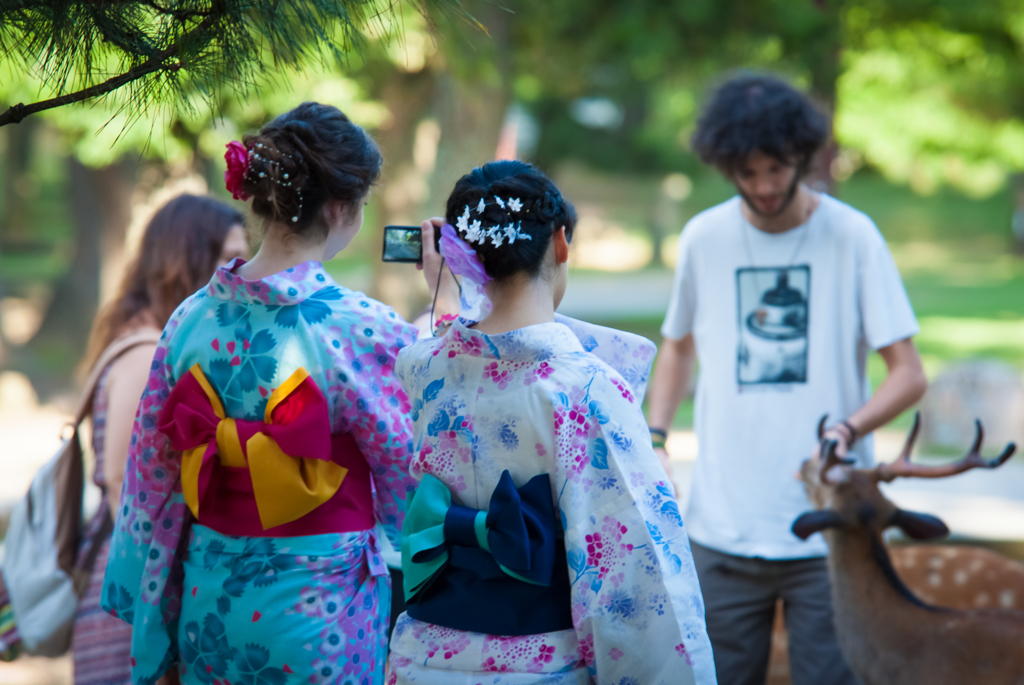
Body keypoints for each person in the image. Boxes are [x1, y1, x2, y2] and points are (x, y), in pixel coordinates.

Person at [101, 102, 452, 685]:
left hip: (209, 600)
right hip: (317, 607)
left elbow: (151, 476)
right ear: (339, 208)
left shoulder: (189, 318)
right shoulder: (360, 327)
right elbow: (414, 471)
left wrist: (150, 595)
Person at [645, 73, 927, 685]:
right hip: (721, 527)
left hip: (831, 530)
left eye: (776, 168)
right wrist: (657, 437)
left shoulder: (853, 236)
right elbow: (678, 348)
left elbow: (908, 375)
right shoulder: (704, 238)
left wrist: (849, 428)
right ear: (726, 167)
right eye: (747, 173)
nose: (765, 187)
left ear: (802, 155)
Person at [387, 160, 716, 684]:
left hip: (422, 658)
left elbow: (462, 344)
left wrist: (449, 298)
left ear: (462, 255)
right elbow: (633, 576)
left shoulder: (421, 367)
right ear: (561, 242)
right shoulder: (584, 389)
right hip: (539, 664)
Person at [71, 194, 249, 685]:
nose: (238, 271)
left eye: (242, 257)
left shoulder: (159, 340)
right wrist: (156, 601)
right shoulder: (146, 350)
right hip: (131, 601)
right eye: (226, 257)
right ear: (182, 260)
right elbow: (119, 482)